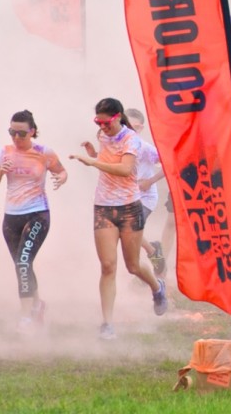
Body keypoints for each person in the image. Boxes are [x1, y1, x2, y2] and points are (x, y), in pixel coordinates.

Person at [68, 98, 168, 341]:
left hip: (130, 208)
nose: (102, 127)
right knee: (107, 266)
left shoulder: (132, 139)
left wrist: (93, 162)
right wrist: (94, 153)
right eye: (98, 122)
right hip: (104, 207)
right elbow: (109, 159)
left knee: (132, 266)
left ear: (118, 117)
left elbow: (124, 169)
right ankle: (107, 324)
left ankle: (157, 288)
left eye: (106, 123)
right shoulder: (103, 136)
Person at [0, 109, 67, 332]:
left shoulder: (43, 152)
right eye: (12, 132)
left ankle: (25, 317)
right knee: (22, 265)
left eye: (21, 133)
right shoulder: (4, 152)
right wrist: (0, 173)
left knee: (23, 263)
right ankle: (37, 305)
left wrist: (60, 178)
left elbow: (62, 171)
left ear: (32, 131)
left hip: (37, 213)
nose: (16, 137)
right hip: (11, 216)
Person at [125, 108, 167, 279]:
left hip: (145, 198)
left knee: (129, 229)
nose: (127, 129)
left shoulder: (145, 148)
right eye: (124, 124)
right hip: (125, 197)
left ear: (140, 128)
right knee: (126, 231)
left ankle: (146, 272)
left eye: (132, 126)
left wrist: (150, 181)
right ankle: (152, 250)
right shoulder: (117, 145)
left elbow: (168, 164)